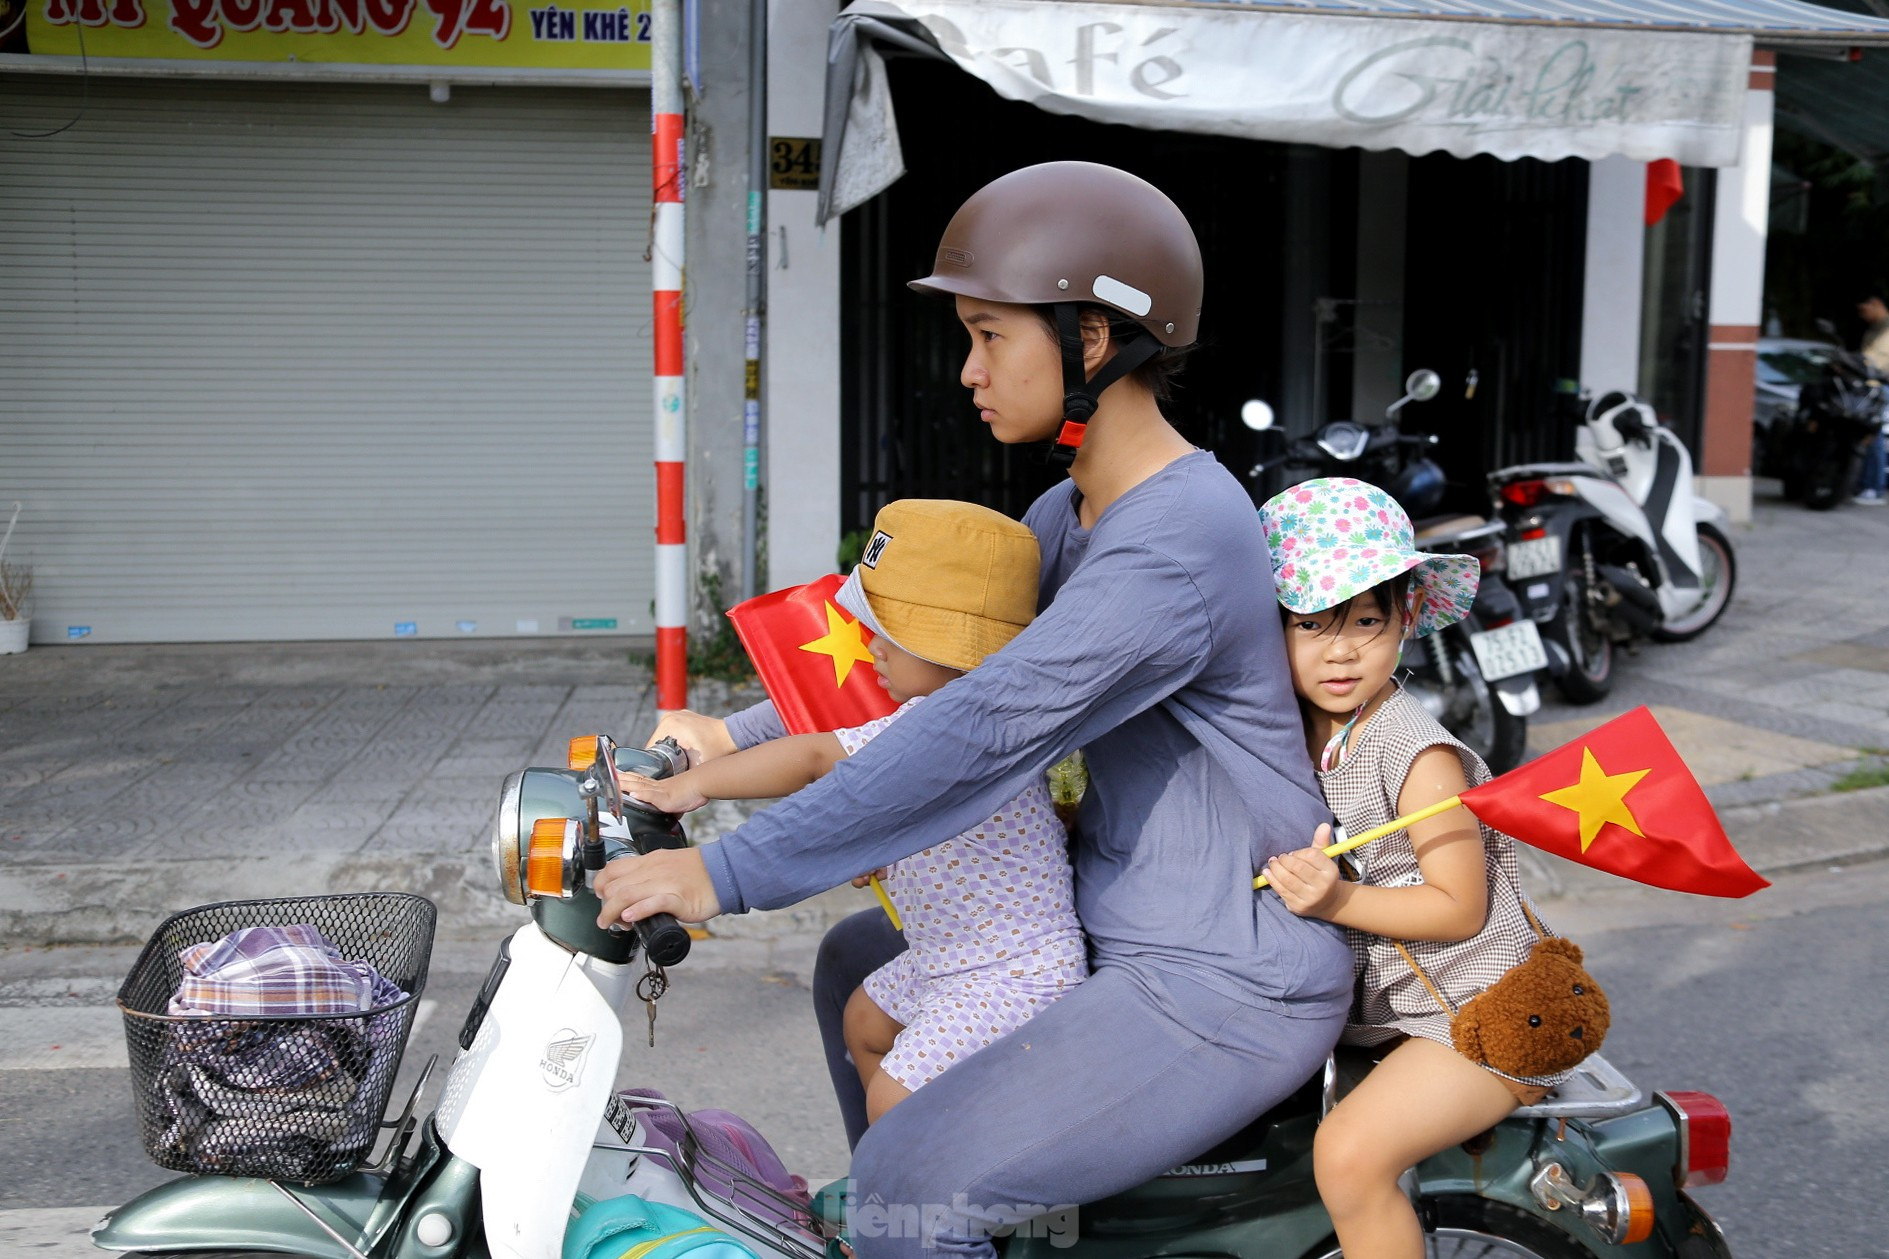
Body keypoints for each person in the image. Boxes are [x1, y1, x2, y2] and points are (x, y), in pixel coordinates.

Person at [595, 161, 1354, 1259]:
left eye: (991, 335)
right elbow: (925, 666)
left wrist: (728, 870)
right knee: (857, 961)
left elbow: (984, 725)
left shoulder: (1178, 537)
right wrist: (723, 740)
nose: (967, 370)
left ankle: (917, 1228)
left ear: (1090, 339)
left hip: (1217, 976)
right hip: (1122, 920)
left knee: (910, 1180)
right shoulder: (1071, 507)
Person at [618, 499, 1087, 1126]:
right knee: (865, 1025)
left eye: (889, 632)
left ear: (949, 647)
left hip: (1009, 973)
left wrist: (689, 788)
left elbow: (815, 758)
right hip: (952, 955)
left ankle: (925, 1195)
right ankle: (895, 1160)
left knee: (892, 1096)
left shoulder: (946, 727)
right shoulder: (967, 717)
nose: (870, 645)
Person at [1257, 477, 1573, 1259]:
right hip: (1397, 1016)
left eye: (1365, 621)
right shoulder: (1301, 727)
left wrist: (1333, 900)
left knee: (1349, 1155)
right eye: (1310, 624)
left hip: (1482, 1014)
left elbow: (1457, 908)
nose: (1340, 649)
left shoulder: (1415, 751)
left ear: (1404, 619)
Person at [1853, 292, 1889, 506]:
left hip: (1879, 388)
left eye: (1863, 309)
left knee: (1872, 435)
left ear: (1875, 303)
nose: (1862, 315)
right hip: (1873, 387)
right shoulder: (1877, 328)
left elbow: (1875, 361)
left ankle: (1872, 488)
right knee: (1869, 435)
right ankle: (1867, 484)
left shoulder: (1886, 329)